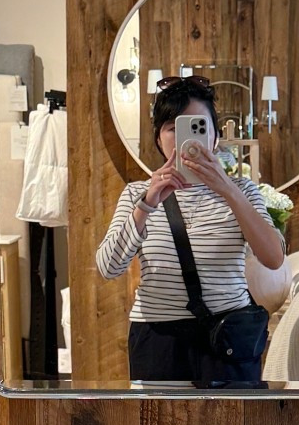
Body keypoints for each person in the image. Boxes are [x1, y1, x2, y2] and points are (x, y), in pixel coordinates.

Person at [95, 76, 286, 386]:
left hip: (228, 338)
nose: (186, 138)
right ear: (159, 138)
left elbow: (274, 258)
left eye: (197, 126)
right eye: (173, 128)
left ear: (214, 137)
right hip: (158, 340)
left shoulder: (243, 191)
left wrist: (227, 188)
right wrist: (148, 203)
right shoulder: (137, 194)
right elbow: (108, 267)